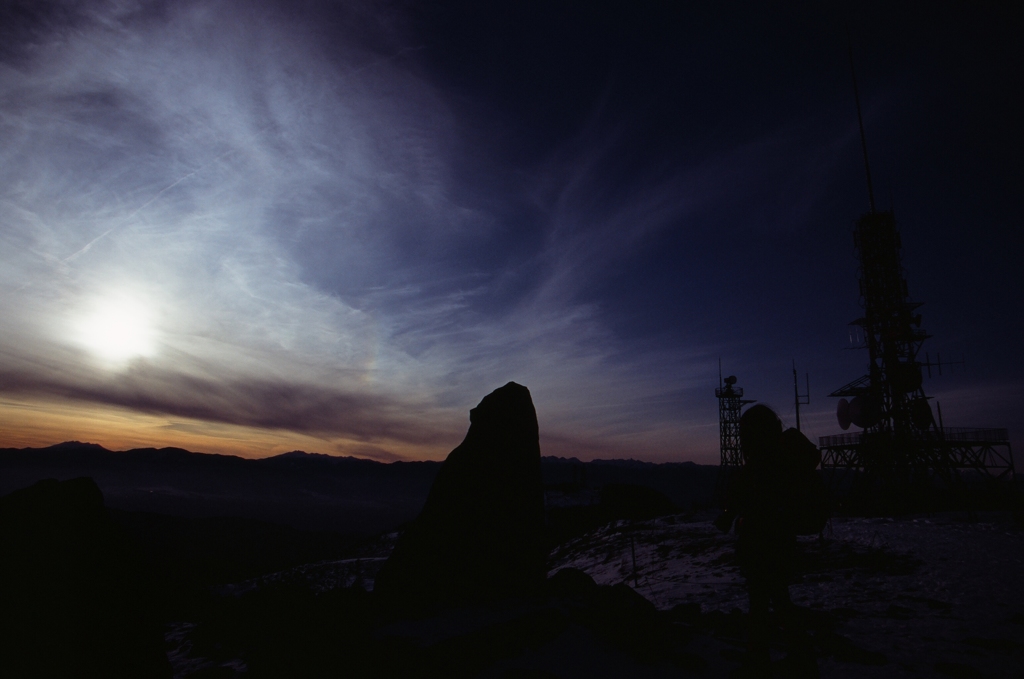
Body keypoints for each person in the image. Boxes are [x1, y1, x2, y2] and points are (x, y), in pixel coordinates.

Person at [716, 405, 819, 678]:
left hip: (762, 543)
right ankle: (796, 655)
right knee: (775, 599)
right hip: (779, 541)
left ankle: (761, 660)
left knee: (762, 603)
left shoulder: (762, 462)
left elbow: (748, 497)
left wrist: (730, 515)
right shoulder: (782, 459)